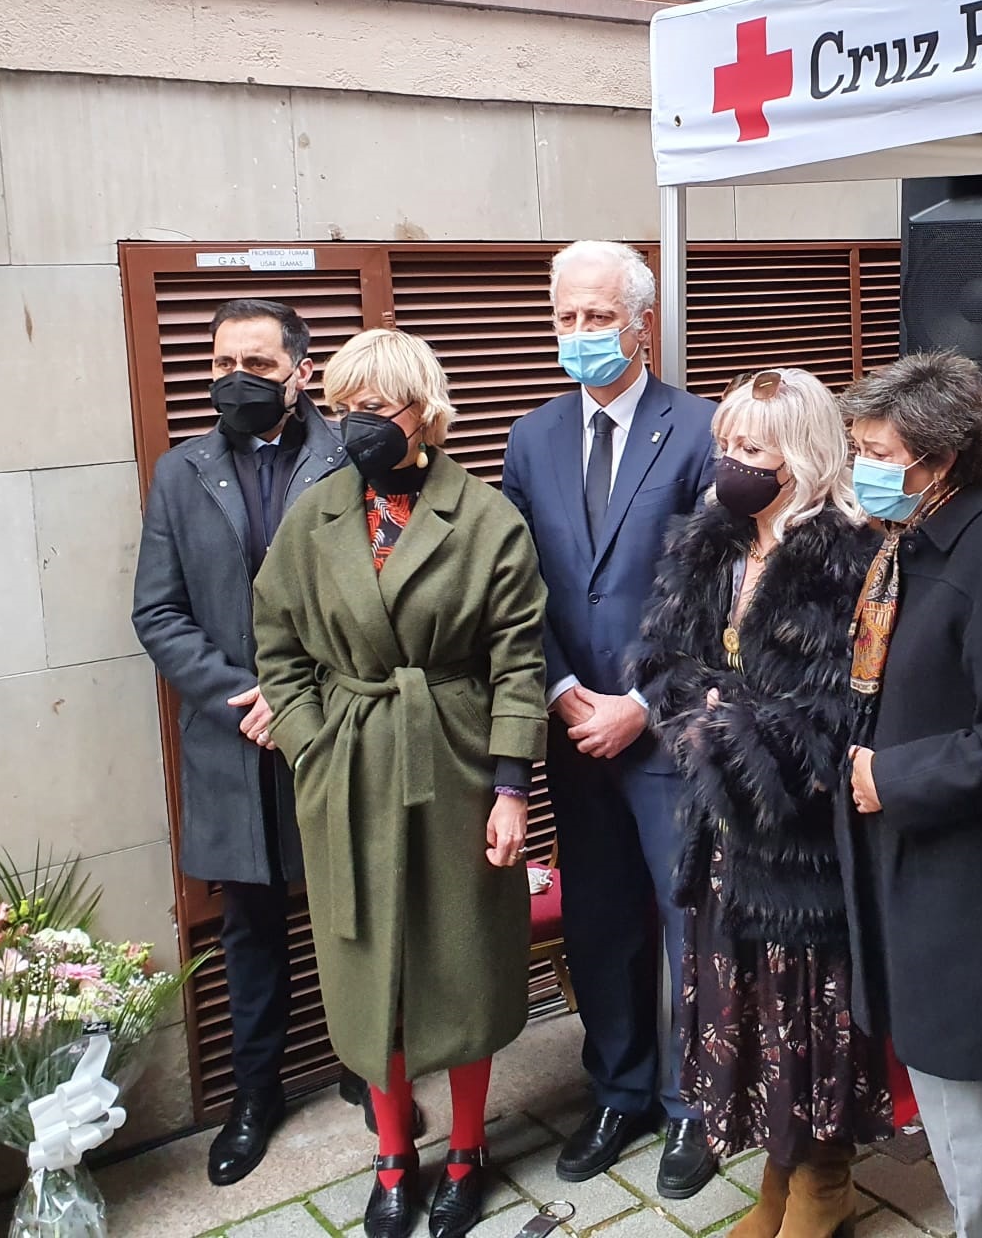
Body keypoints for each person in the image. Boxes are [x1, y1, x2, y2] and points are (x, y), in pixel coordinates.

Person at [254, 328, 547, 1238]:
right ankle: (392, 1157)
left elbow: (518, 662)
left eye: (377, 409)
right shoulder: (316, 516)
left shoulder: (488, 518)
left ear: (426, 412)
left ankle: (466, 1151)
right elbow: (278, 645)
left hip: (455, 759)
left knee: (461, 963)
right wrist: (309, 743)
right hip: (347, 765)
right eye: (344, 409)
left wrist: (509, 790)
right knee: (365, 962)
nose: (358, 427)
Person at [628, 368, 894, 1238]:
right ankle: (776, 1177)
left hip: (804, 836)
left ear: (805, 454)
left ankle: (826, 1181)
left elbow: (843, 709)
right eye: (726, 445)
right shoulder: (709, 543)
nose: (732, 463)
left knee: (807, 1007)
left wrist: (728, 722)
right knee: (740, 998)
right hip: (720, 825)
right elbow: (661, 661)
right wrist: (708, 710)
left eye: (754, 447)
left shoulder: (848, 553)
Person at [500, 241, 721, 1199]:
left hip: (663, 729)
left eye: (597, 317)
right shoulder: (529, 438)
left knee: (684, 924)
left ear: (643, 323)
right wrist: (557, 692)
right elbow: (517, 594)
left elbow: (715, 591)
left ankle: (694, 1107)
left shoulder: (705, 430)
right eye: (565, 318)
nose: (579, 335)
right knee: (599, 926)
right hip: (572, 730)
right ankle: (620, 1089)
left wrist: (640, 703)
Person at [836, 351, 982, 1238]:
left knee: (979, 1115)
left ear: (938, 459)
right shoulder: (907, 540)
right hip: (911, 864)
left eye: (879, 451)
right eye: (857, 446)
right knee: (947, 1096)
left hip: (969, 883)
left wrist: (889, 775)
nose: (864, 468)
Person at [131, 299, 353, 1187]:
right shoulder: (181, 473)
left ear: (300, 370)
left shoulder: (347, 456)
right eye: (223, 359)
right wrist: (240, 695)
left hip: (336, 727)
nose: (236, 377)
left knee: (352, 907)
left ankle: (368, 1064)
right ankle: (254, 1096)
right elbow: (158, 610)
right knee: (251, 926)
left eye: (258, 364)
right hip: (234, 734)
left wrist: (307, 697)